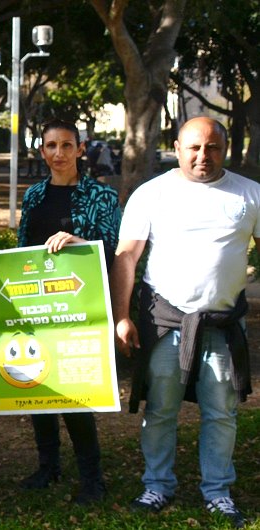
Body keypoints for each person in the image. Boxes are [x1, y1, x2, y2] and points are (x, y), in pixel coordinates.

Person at [111, 117, 258, 528]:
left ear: (225, 149)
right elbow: (127, 256)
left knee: (222, 411)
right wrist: (121, 316)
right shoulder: (152, 193)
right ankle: (157, 485)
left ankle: (218, 491)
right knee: (161, 408)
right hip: (165, 322)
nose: (202, 156)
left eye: (212, 147)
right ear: (176, 148)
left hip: (223, 323)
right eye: (194, 147)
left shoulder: (250, 194)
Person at [16, 119, 121, 504]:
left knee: (75, 393)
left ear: (80, 149)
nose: (58, 153)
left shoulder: (102, 195)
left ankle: (92, 477)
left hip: (80, 308)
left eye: (66, 145)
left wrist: (81, 242)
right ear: (42, 151)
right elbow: (23, 250)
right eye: (51, 146)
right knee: (39, 386)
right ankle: (48, 466)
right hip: (38, 307)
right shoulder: (34, 195)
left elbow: (115, 251)